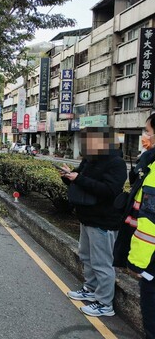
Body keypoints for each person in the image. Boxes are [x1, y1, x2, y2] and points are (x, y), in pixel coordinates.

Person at [59, 126, 127, 317]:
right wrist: (68, 176)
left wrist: (78, 178)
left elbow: (109, 191)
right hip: (87, 217)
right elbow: (79, 179)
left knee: (102, 263)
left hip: (104, 221)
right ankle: (89, 290)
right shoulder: (90, 159)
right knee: (86, 257)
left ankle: (105, 304)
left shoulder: (116, 163)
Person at [114, 113, 155, 338]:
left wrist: (137, 264)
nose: (144, 136)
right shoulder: (148, 164)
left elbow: (148, 222)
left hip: (151, 264)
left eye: (148, 131)